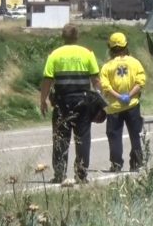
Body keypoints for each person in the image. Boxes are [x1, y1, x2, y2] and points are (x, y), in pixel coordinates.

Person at [39, 24, 104, 183]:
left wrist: (43, 100)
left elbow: (47, 80)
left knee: (61, 138)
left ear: (63, 37)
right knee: (82, 138)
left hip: (62, 102)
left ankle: (60, 174)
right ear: (77, 37)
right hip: (83, 102)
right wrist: (100, 98)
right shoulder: (87, 54)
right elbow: (96, 80)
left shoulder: (54, 55)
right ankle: (81, 174)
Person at [100, 32, 147, 172]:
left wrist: (118, 97)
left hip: (114, 108)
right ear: (126, 45)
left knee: (114, 136)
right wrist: (129, 95)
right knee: (135, 135)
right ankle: (136, 163)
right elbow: (141, 81)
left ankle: (116, 164)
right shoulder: (135, 62)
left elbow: (105, 87)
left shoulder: (107, 66)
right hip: (132, 105)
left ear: (111, 48)